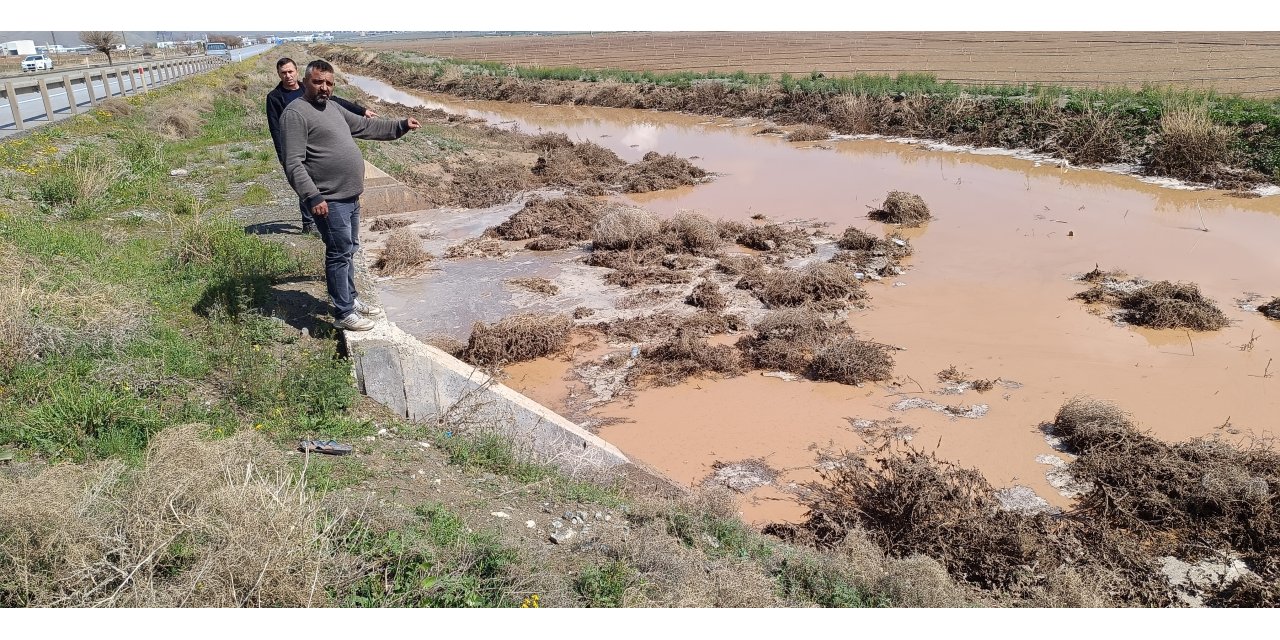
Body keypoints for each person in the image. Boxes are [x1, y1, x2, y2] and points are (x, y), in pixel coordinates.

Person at [280, 59, 419, 332]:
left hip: (349, 196)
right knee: (338, 252)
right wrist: (312, 197)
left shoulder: (333, 108)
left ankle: (350, 299)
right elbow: (293, 163)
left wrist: (401, 125)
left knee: (349, 250)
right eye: (318, 82)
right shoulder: (295, 113)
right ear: (305, 82)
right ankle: (343, 313)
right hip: (328, 199)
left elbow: (366, 127)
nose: (324, 88)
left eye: (329, 83)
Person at [266, 56, 377, 235]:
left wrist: (362, 110)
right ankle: (309, 223)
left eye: (290, 71)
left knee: (316, 186)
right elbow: (275, 128)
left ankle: (321, 221)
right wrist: (283, 156)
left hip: (317, 146)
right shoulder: (275, 97)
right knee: (305, 184)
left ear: (297, 72)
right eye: (283, 73)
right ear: (279, 74)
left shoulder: (309, 87)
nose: (288, 76)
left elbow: (336, 102)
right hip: (298, 147)